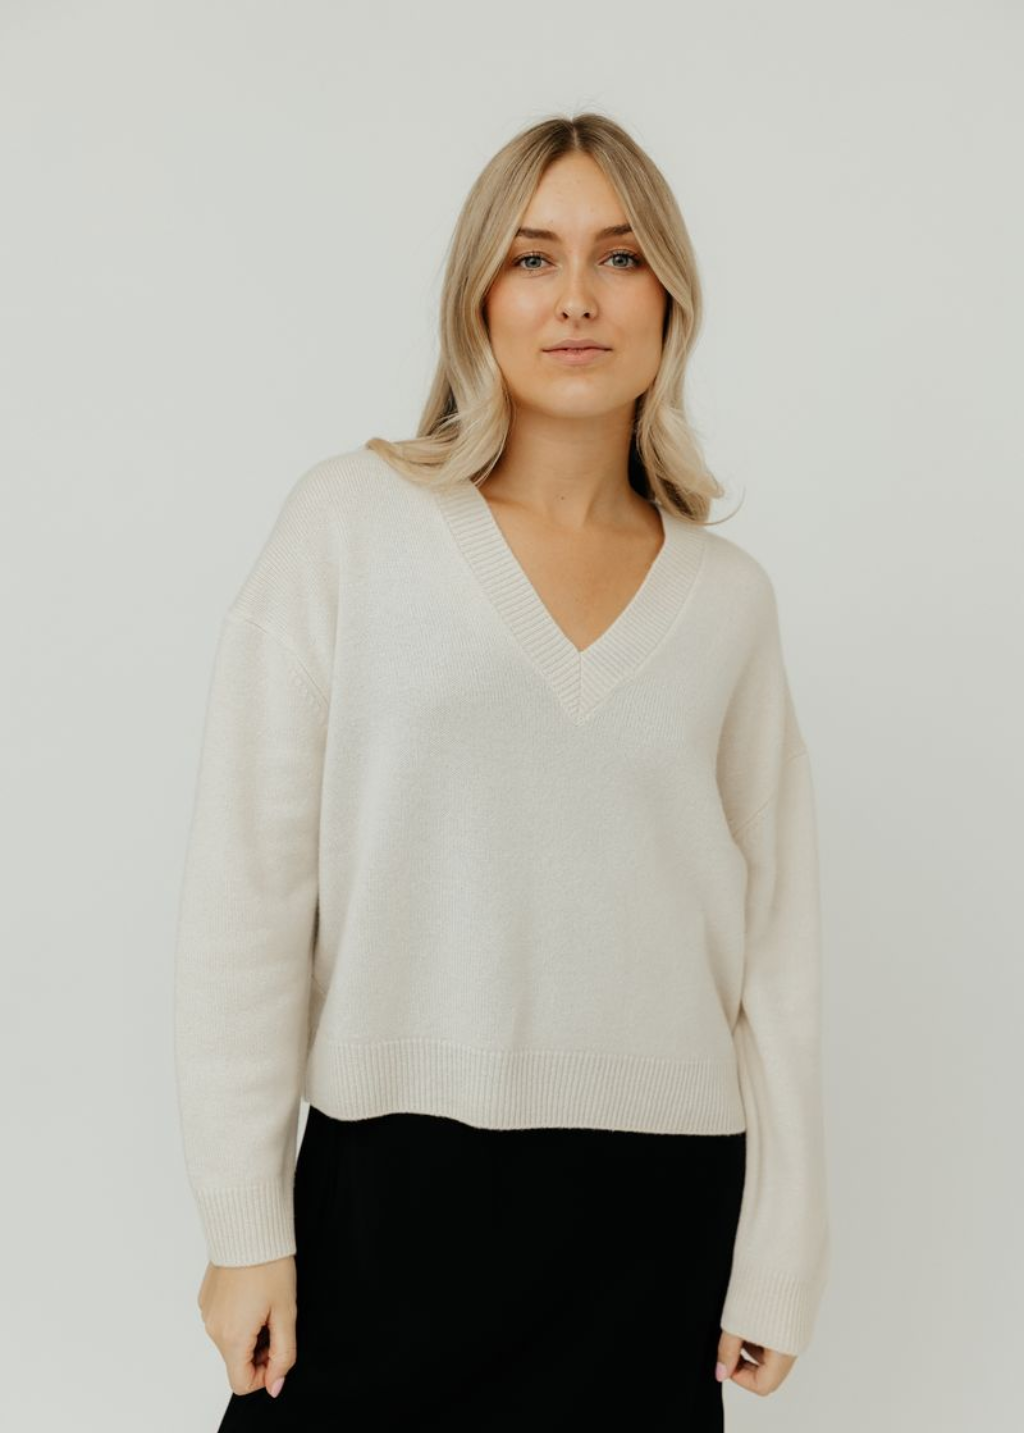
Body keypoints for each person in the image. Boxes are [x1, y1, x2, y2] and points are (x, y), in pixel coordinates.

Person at [174, 111, 830, 1429]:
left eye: (620, 257)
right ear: (477, 296)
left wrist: (781, 1254)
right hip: (385, 1194)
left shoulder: (727, 601)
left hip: (659, 1213)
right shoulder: (352, 526)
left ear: (670, 298)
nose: (577, 297)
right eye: (533, 257)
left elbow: (778, 950)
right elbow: (250, 889)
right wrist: (245, 1223)